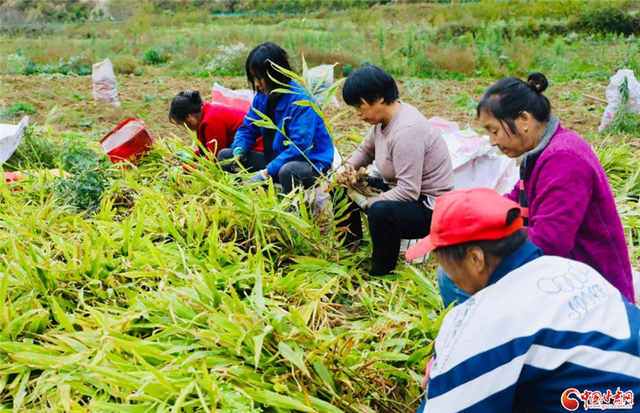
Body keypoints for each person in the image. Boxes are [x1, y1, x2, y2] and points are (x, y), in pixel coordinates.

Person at [406, 188, 640, 413]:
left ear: (475, 259)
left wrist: (450, 365)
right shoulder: (572, 269)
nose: (444, 272)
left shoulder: (483, 321)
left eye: (442, 261)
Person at [438, 72, 634, 306]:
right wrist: (471, 218)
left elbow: (550, 243)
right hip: (567, 271)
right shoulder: (545, 152)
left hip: (591, 292)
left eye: (494, 131)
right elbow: (516, 202)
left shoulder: (563, 160)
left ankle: (484, 337)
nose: (492, 141)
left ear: (524, 119)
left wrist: (487, 246)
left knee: (454, 274)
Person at [338, 65, 454, 276]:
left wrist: (368, 202)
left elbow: (409, 191)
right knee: (346, 186)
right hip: (406, 192)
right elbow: (365, 150)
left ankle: (382, 271)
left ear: (379, 97)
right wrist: (346, 168)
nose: (357, 114)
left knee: (380, 212)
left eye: (359, 106)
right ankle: (350, 246)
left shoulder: (406, 131)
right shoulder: (383, 120)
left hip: (429, 206)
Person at [218, 42, 334, 194]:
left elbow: (298, 149)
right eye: (253, 78)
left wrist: (265, 173)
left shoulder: (302, 102)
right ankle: (241, 200)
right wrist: (239, 148)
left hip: (308, 165)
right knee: (226, 156)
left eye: (260, 78)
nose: (257, 84)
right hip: (275, 160)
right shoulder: (262, 97)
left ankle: (292, 212)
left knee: (288, 171)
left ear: (275, 73)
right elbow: (248, 128)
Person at [168, 90, 263, 158]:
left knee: (224, 157)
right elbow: (208, 151)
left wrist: (185, 169)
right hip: (245, 148)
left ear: (190, 117)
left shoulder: (211, 121)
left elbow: (214, 159)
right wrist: (193, 156)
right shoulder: (207, 112)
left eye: (182, 124)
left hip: (257, 151)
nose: (186, 128)